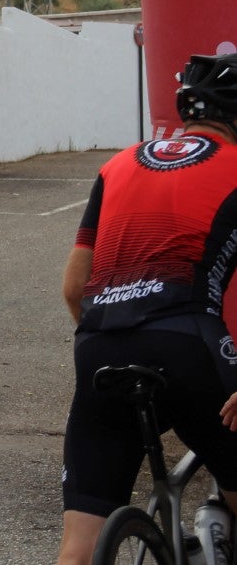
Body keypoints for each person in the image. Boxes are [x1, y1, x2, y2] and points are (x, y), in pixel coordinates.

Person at [55, 52, 237, 565]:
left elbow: (74, 287)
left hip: (100, 350)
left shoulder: (117, 165)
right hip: (190, 350)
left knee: (80, 549)